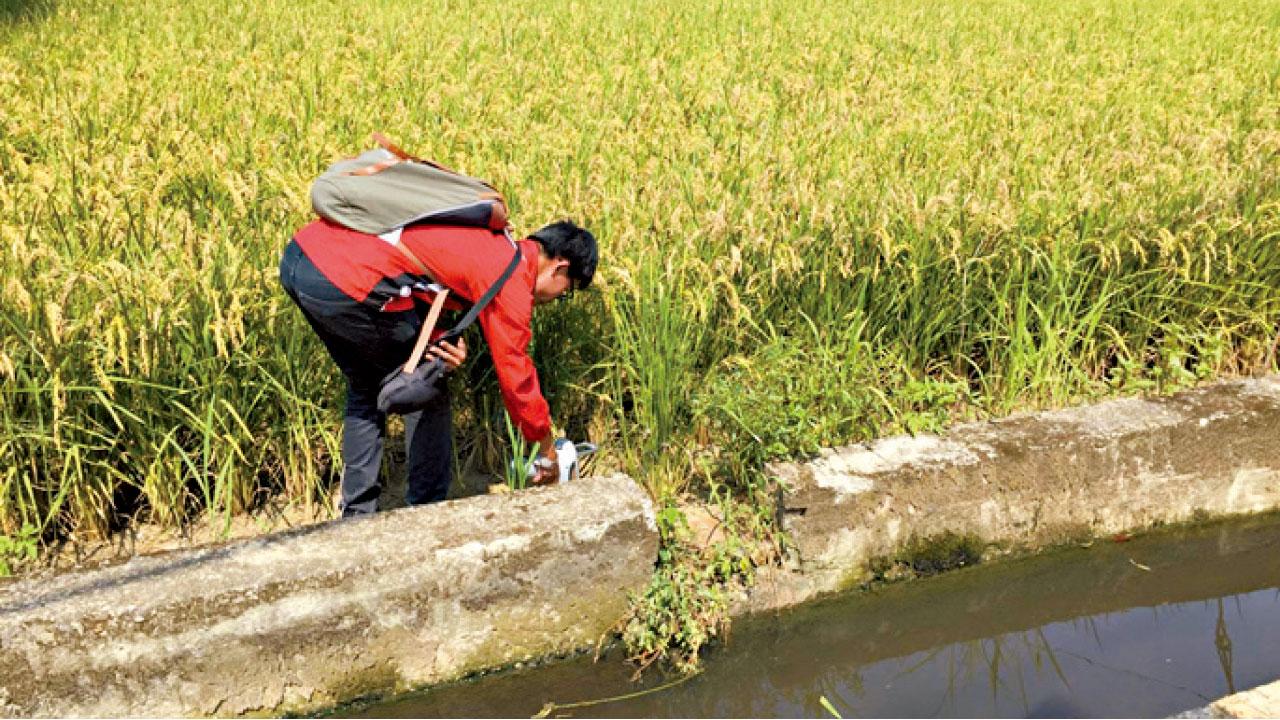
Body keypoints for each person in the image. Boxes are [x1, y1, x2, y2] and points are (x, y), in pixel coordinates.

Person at [278, 218, 598, 516]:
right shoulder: (511, 277)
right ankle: (427, 511)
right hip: (346, 276)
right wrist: (546, 448)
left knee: (367, 380)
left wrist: (437, 339)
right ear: (560, 268)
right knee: (428, 385)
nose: (556, 299)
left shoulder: (488, 241)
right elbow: (516, 375)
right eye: (565, 293)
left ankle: (356, 515)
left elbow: (417, 279)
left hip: (302, 259)